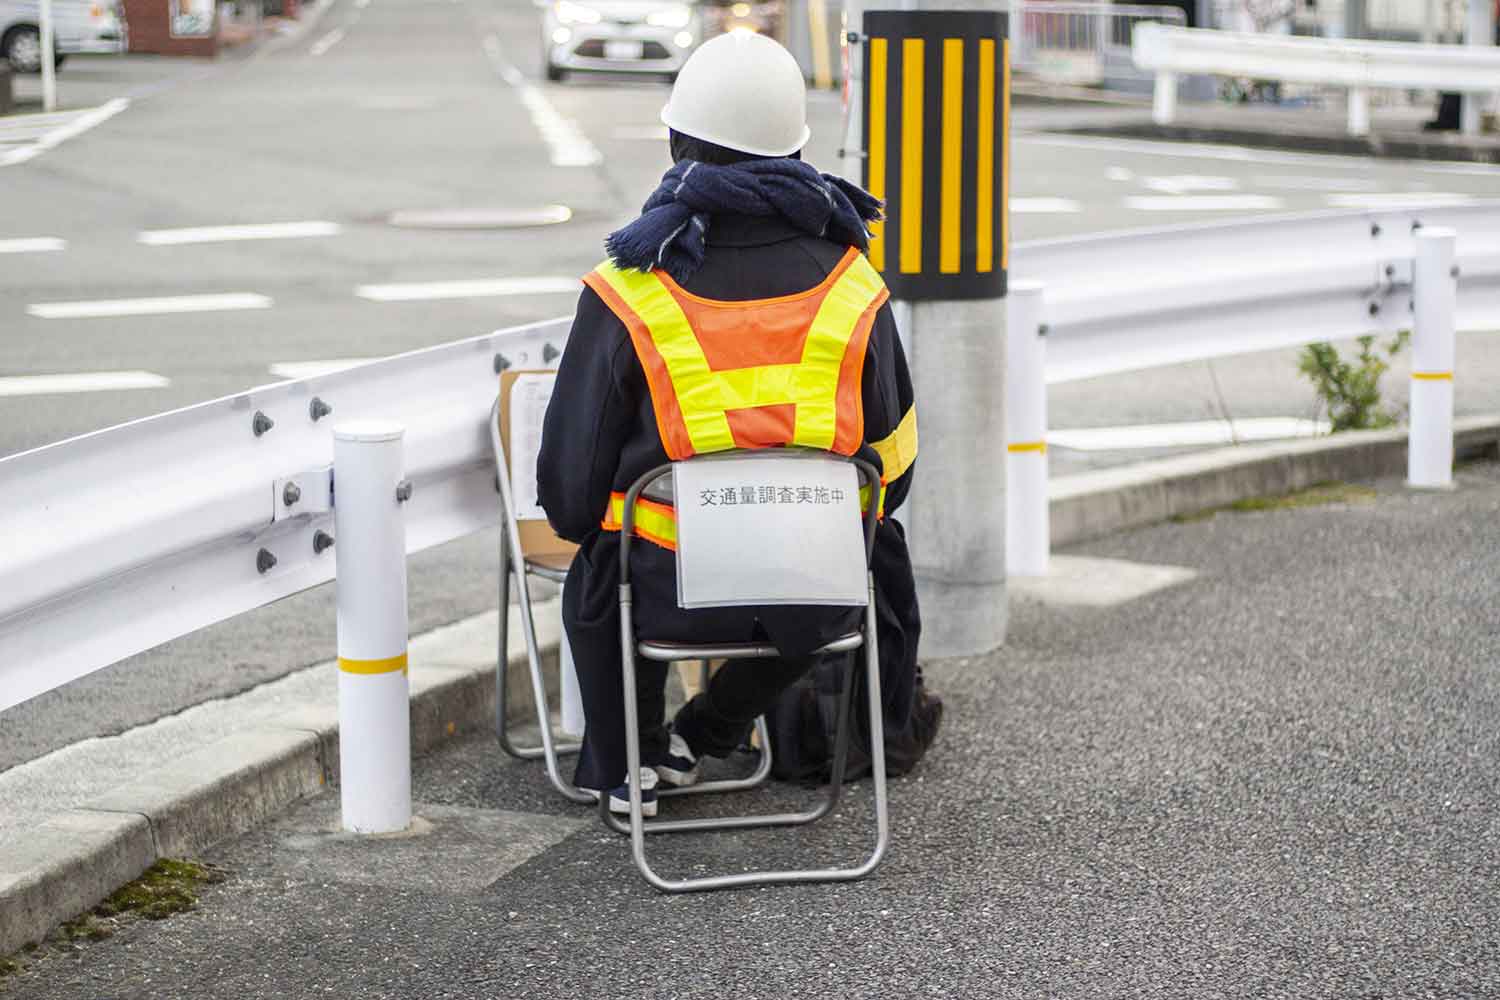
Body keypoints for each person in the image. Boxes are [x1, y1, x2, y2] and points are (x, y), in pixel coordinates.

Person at [537, 31, 920, 815]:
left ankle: (630, 765)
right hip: (817, 594)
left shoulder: (629, 289)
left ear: (678, 141)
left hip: (666, 592)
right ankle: (706, 729)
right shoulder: (854, 283)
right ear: (795, 153)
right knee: (865, 544)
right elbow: (897, 468)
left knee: (604, 553)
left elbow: (570, 493)